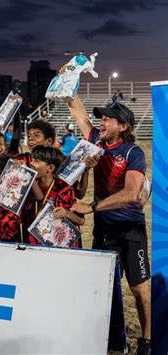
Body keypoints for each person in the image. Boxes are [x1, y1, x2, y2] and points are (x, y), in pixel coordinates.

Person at [67, 94, 150, 353]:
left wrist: (92, 207)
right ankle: (113, 339)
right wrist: (70, 78)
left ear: (122, 126)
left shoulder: (133, 153)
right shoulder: (95, 141)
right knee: (105, 288)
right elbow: (78, 112)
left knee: (139, 289)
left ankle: (146, 342)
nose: (100, 122)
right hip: (104, 230)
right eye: (100, 118)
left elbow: (131, 194)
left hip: (130, 230)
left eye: (107, 119)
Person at [29, 145, 84, 246]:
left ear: (50, 168)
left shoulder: (64, 189)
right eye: (31, 160)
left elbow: (81, 220)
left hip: (59, 246)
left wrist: (66, 213)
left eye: (36, 161)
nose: (31, 164)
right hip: (34, 244)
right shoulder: (28, 185)